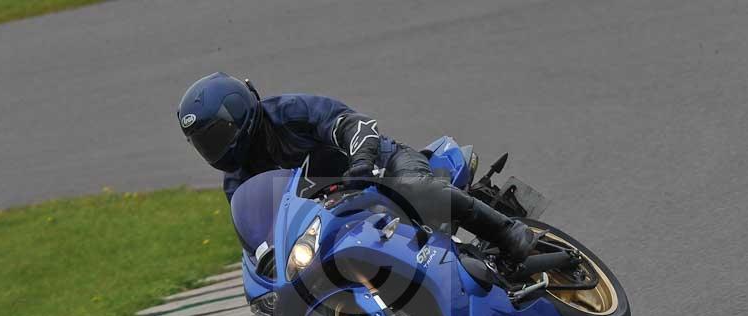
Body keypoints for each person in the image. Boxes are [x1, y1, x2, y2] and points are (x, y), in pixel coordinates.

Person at [177, 72, 537, 260]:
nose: (214, 148)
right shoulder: (236, 183)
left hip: (382, 168)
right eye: (203, 143)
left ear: (238, 113)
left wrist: (361, 162)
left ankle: (507, 231)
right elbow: (260, 236)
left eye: (216, 134)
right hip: (335, 217)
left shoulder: (288, 112)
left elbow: (354, 124)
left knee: (414, 189)